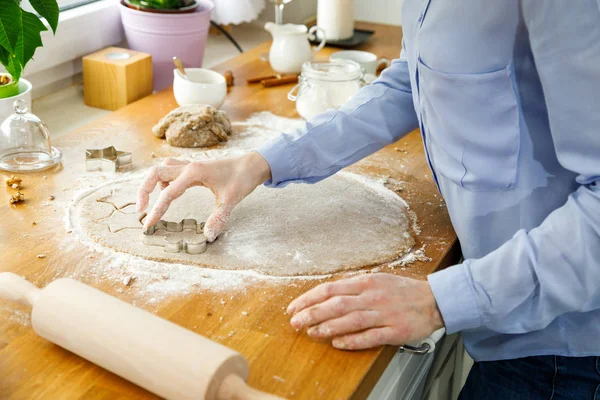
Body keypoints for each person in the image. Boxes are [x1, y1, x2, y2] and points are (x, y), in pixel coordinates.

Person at [137, 1, 600, 398]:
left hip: (565, 346)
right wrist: (260, 162)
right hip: (504, 322)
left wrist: (438, 302)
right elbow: (408, 84)